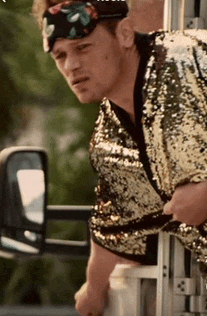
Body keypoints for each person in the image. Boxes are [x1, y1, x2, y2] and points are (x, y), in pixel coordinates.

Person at [32, 0, 207, 315]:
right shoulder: (109, 138)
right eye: (61, 55)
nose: (71, 66)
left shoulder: (192, 57)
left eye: (83, 47)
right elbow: (114, 224)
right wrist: (93, 292)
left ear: (124, 34)